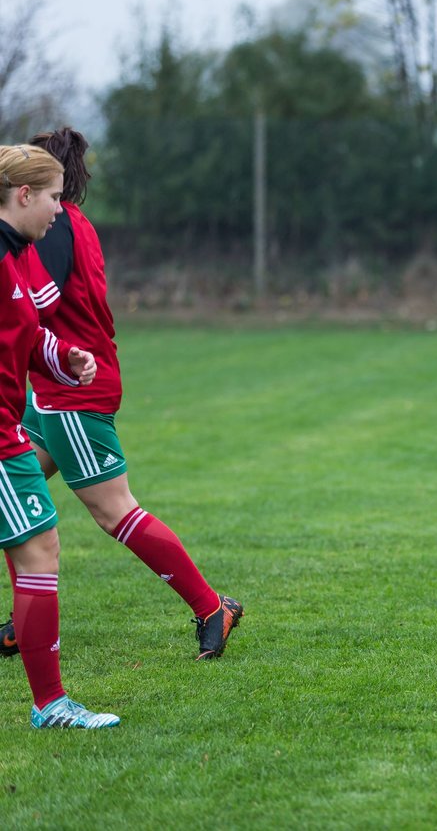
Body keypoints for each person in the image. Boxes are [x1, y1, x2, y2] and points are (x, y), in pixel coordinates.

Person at [0, 128, 242, 662]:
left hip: (72, 389)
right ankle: (24, 620)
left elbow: (36, 301)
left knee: (115, 513)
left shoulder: (53, 227)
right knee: (17, 503)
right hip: (59, 385)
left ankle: (211, 607)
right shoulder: (72, 222)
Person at [0, 143, 118, 727]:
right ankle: (50, 706)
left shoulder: (19, 255)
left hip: (10, 429)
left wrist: (65, 356)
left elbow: (28, 329)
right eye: (51, 197)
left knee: (38, 551)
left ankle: (51, 704)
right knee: (38, 550)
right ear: (23, 195)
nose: (58, 210)